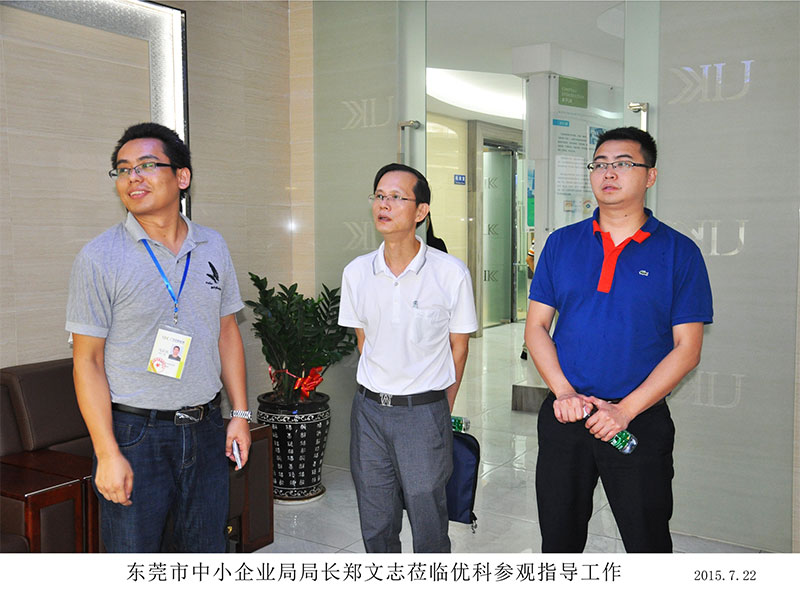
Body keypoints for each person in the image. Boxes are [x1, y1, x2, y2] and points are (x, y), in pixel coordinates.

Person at [525, 126, 712, 553]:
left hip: (638, 419)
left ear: (650, 176)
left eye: (623, 164)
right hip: (567, 414)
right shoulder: (562, 244)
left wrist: (624, 411)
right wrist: (563, 392)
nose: (609, 173)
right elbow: (536, 328)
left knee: (647, 542)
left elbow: (688, 349)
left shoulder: (679, 252)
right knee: (558, 539)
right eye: (600, 164)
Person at [66, 122, 252, 553]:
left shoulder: (212, 245)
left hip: (206, 426)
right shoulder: (99, 258)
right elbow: (87, 361)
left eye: (147, 165)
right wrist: (107, 453)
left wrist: (239, 413)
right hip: (135, 434)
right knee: (134, 559)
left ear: (182, 177)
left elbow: (227, 331)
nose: (133, 177)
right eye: (123, 169)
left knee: (205, 553)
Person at [338, 163, 477, 552]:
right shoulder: (357, 272)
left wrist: (440, 408)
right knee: (376, 519)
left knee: (427, 518)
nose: (384, 204)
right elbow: (364, 341)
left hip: (423, 413)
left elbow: (459, 348)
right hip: (369, 411)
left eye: (396, 197)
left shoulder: (450, 273)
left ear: (421, 211)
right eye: (379, 196)